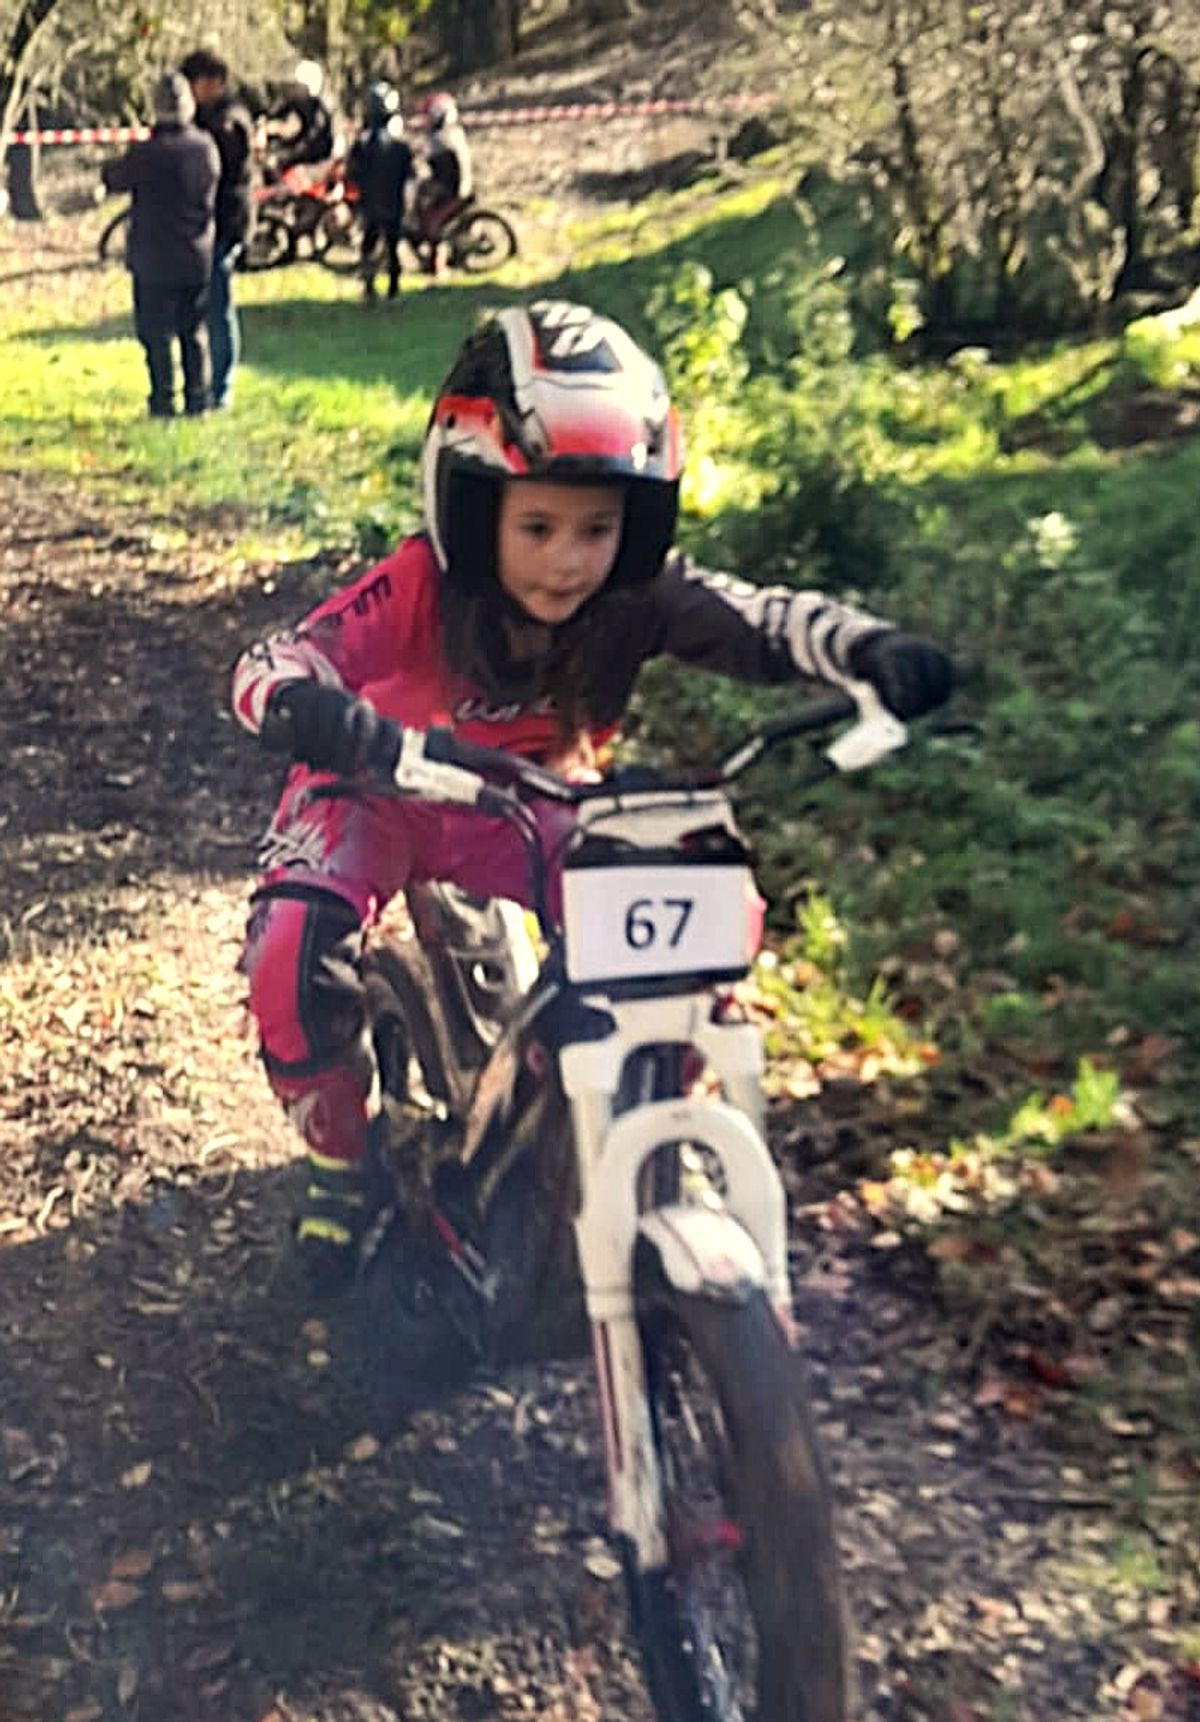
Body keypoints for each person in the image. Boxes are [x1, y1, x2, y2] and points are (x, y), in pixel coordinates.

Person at [231, 300, 954, 1293]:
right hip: (374, 786)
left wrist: (871, 648)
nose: (569, 559)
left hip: (532, 801)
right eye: (536, 525)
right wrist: (307, 707)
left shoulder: (638, 596)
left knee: (695, 912)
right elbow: (280, 655)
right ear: (472, 507)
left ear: (639, 524)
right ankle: (338, 1165)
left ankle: (649, 1127)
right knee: (292, 949)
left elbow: (764, 622)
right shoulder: (416, 589)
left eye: (598, 527)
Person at [102, 70, 220, 419]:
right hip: (196, 253)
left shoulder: (148, 152)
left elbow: (114, 177)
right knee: (193, 331)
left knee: (155, 335)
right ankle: (198, 399)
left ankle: (163, 399)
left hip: (153, 255)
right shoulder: (205, 148)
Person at [180, 48, 255, 411]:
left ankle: (221, 387)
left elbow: (221, 175)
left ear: (211, 84)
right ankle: (207, 385)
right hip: (208, 223)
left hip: (225, 222)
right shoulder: (209, 118)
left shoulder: (227, 124)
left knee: (219, 307)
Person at [345, 81, 414, 305]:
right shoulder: (400, 145)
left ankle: (369, 288)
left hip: (370, 201)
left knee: (369, 244)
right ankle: (393, 290)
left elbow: (352, 171)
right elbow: (409, 173)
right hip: (394, 201)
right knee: (393, 246)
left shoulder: (363, 144)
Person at [411, 89, 472, 275]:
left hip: (454, 188)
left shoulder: (442, 138)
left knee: (432, 223)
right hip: (453, 184)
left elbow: (434, 160)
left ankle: (437, 264)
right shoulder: (451, 133)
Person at [267, 58, 335, 174]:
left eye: (295, 86)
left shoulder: (318, 115)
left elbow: (309, 146)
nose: (289, 90)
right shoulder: (291, 106)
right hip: (286, 166)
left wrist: (280, 157)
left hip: (311, 171)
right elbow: (273, 121)